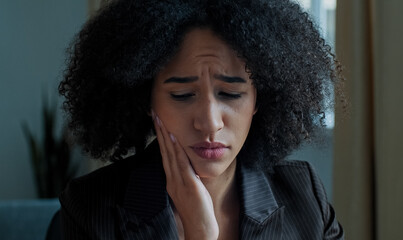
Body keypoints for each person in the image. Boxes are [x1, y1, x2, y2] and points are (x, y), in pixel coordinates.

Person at [58, 0, 344, 239]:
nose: (209, 123)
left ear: (259, 98)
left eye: (230, 94)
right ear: (146, 99)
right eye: (182, 94)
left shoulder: (305, 196)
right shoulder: (89, 208)